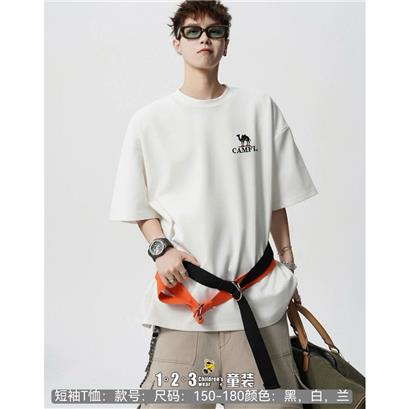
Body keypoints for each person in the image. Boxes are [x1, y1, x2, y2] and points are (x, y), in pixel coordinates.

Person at [109, 1, 318, 408]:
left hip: (259, 309)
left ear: (226, 43)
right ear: (176, 42)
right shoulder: (149, 121)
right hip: (185, 310)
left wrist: (289, 267)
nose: (204, 38)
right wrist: (160, 249)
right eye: (192, 31)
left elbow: (276, 197)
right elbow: (137, 203)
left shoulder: (259, 109)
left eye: (214, 31)